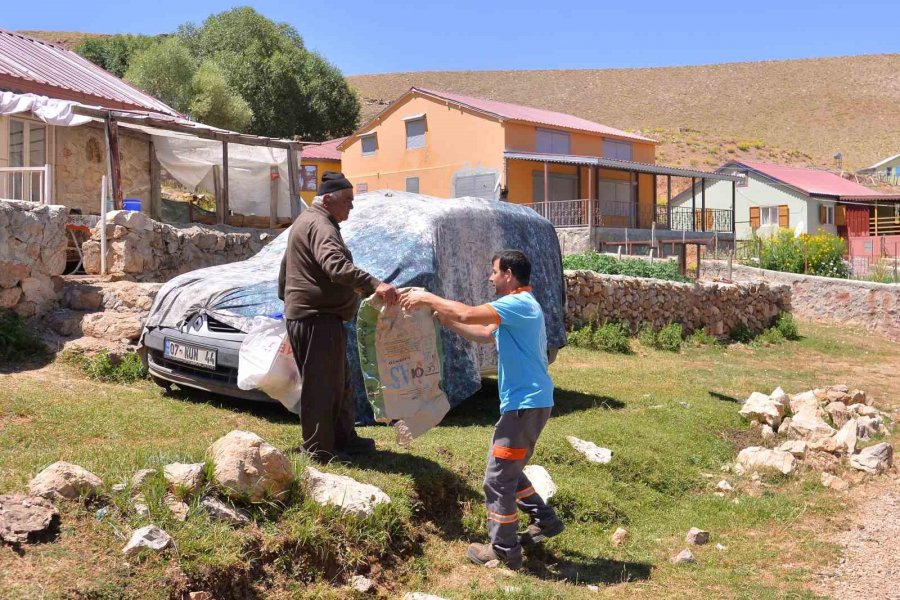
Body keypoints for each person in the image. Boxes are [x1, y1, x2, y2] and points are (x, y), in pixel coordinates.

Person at [399, 250, 564, 570]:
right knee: (508, 471)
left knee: (497, 478)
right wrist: (446, 320)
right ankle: (544, 521)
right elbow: (484, 333)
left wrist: (428, 297)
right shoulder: (520, 308)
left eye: (494, 272)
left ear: (510, 275)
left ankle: (504, 549)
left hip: (524, 406)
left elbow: (469, 313)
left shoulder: (518, 304)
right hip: (530, 404)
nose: (490, 278)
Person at [278, 171, 398, 463]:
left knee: (340, 383)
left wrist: (290, 300)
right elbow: (335, 265)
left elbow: (285, 271)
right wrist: (375, 284)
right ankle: (319, 450)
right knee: (322, 387)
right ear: (328, 199)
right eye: (347, 200)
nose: (351, 207)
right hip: (317, 318)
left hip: (316, 317)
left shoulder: (309, 221)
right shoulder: (320, 224)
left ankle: (344, 439)